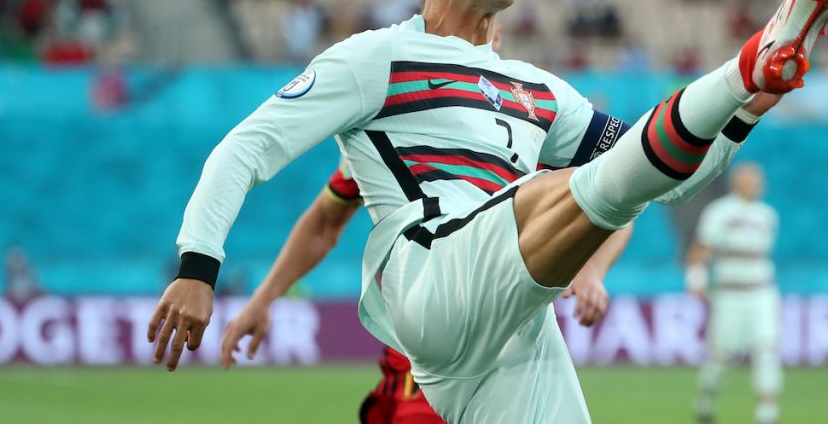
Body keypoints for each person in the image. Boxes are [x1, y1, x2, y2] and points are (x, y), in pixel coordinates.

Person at [148, 0, 828, 423]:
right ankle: (758, 51)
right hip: (427, 280)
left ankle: (753, 70)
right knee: (556, 191)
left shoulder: (540, 89)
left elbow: (660, 180)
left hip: (513, 326)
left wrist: (744, 114)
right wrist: (197, 267)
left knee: (612, 180)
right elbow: (243, 149)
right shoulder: (375, 58)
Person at [218, 158, 633, 424]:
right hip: (419, 360)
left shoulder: (528, 132)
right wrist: (263, 297)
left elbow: (615, 196)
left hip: (505, 354)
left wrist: (592, 270)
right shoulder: (382, 135)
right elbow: (325, 222)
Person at [685, 163, 781, 424]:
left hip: (761, 292)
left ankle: (767, 415)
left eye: (757, 180)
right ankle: (705, 401)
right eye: (750, 180)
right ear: (737, 183)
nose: (756, 185)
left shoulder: (768, 215)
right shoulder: (719, 212)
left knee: (766, 348)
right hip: (729, 294)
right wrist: (696, 279)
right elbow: (701, 248)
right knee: (721, 355)